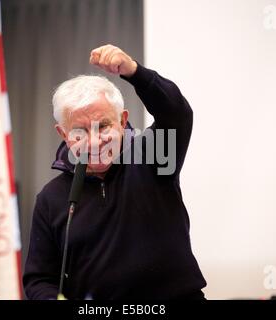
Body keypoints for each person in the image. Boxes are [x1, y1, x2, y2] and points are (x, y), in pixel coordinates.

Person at [23, 44, 207, 300]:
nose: (95, 141)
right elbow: (40, 279)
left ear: (122, 122)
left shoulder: (154, 155)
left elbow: (176, 113)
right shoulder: (50, 198)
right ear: (64, 135)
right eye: (81, 131)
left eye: (104, 126)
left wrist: (134, 72)